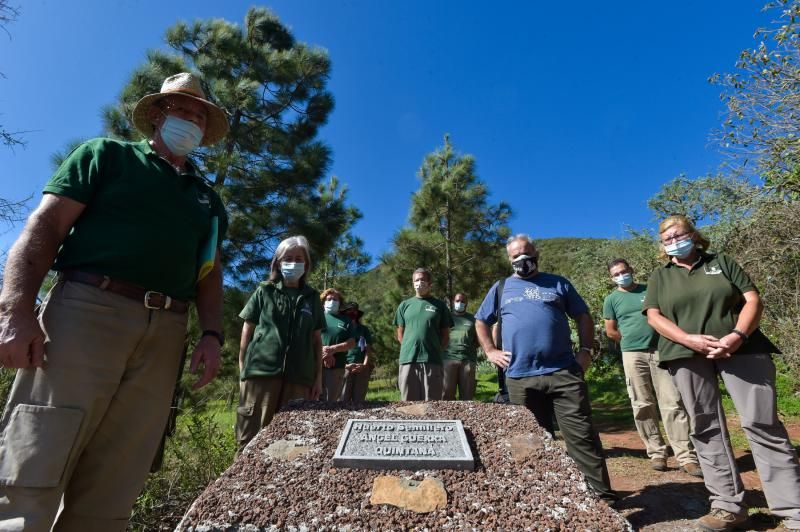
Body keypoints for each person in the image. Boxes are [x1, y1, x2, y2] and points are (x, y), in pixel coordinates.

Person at [0, 72, 229, 530]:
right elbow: (45, 226)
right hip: (86, 311)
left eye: (199, 115)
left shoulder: (208, 200)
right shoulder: (106, 156)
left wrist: (211, 335)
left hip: (166, 333)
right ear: (157, 115)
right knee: (39, 453)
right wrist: (15, 310)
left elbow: (209, 274)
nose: (190, 119)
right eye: (181, 109)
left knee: (119, 473)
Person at [644, 215, 800, 531]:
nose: (674, 241)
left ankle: (792, 508)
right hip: (685, 354)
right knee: (704, 425)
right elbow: (654, 316)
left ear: (693, 235)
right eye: (667, 239)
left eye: (678, 235)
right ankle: (728, 507)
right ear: (662, 246)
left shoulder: (722, 262)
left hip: (742, 348)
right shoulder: (660, 277)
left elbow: (752, 300)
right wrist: (688, 339)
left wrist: (737, 336)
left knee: (761, 422)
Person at [475, 234, 616, 502]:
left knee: (581, 436)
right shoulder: (502, 287)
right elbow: (481, 320)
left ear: (537, 254)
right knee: (531, 443)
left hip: (563, 372)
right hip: (519, 377)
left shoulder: (558, 283)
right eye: (515, 256)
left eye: (526, 253)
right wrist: (490, 351)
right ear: (509, 260)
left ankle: (601, 498)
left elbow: (583, 316)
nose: (522, 259)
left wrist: (585, 351)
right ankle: (544, 498)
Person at [603, 258, 702, 477]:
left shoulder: (650, 290)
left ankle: (686, 456)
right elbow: (610, 331)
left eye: (624, 271)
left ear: (631, 269)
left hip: (662, 351)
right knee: (641, 404)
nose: (621, 275)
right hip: (632, 354)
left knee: (672, 403)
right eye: (616, 274)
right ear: (612, 278)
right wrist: (630, 341)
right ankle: (657, 453)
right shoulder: (611, 300)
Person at [237, 235, 324, 453]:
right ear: (278, 261)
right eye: (288, 258)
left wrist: (318, 379)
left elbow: (316, 341)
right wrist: (243, 369)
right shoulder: (264, 291)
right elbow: (247, 331)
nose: (293, 263)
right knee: (251, 440)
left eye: (298, 258)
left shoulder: (312, 298)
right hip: (261, 374)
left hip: (299, 378)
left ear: (306, 264)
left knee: (291, 442)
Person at [394, 268, 453, 401]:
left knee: (432, 403)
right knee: (408, 404)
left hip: (432, 360)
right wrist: (410, 349)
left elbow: (446, 335)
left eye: (423, 279)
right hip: (408, 360)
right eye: (417, 280)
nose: (419, 282)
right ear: (412, 283)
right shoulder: (404, 305)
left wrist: (437, 350)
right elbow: (400, 334)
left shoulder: (440, 306)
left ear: (429, 283)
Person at [319, 288, 355, 401]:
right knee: (312, 401)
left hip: (336, 367)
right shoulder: (316, 317)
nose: (332, 301)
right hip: (315, 366)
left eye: (335, 299)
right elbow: (308, 338)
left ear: (340, 303)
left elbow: (351, 342)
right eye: (328, 299)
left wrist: (333, 349)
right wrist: (324, 352)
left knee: (331, 401)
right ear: (323, 302)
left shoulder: (346, 320)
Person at [442, 293, 478, 400]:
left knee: (467, 396)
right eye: (457, 301)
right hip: (448, 359)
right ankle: (447, 416)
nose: (460, 303)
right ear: (453, 302)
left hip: (467, 360)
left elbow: (478, 340)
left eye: (462, 301)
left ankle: (466, 416)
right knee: (446, 395)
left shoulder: (473, 319)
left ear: (466, 303)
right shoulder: (446, 318)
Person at [340, 301, 374, 402]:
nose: (352, 313)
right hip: (345, 368)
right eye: (349, 310)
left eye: (354, 311)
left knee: (359, 400)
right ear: (345, 313)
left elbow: (368, 349)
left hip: (361, 368)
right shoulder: (341, 329)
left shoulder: (364, 330)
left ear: (357, 313)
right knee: (342, 400)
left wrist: (364, 365)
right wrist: (345, 365)